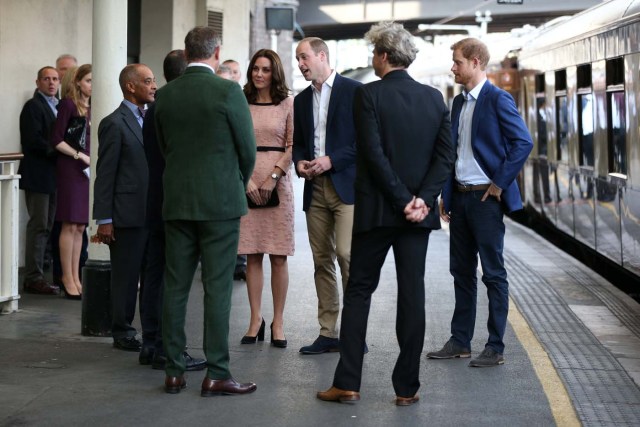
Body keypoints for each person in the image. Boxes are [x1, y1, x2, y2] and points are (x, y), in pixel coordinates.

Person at [317, 21, 455, 406]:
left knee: (359, 290)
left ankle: (347, 382)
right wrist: (422, 200)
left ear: (382, 55)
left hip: (378, 213)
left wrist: (399, 199)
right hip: (417, 217)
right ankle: (407, 388)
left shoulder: (368, 95)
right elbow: (446, 156)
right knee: (413, 294)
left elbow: (373, 155)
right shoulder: (433, 99)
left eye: (372, 53)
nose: (371, 59)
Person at [154, 26, 257, 396]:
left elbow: (164, 147)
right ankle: (217, 372)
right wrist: (232, 181)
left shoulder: (164, 96)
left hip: (178, 201)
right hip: (220, 204)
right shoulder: (228, 91)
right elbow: (247, 151)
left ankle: (174, 371)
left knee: (175, 286)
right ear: (216, 53)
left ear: (186, 52)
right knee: (217, 288)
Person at [426, 37, 533, 367]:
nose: (453, 68)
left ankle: (495, 346)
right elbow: (452, 153)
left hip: (486, 201)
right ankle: (460, 341)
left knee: (493, 273)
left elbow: (522, 142)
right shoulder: (458, 104)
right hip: (460, 198)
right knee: (460, 272)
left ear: (475, 62)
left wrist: (500, 183)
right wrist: (445, 194)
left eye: (457, 62)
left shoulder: (498, 99)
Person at [293, 37, 361, 354]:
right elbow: (301, 144)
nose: (300, 64)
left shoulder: (354, 92)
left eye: (304, 57)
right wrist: (300, 163)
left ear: (322, 56)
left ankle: (354, 334)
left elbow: (365, 143)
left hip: (346, 186)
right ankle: (328, 332)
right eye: (297, 59)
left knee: (347, 256)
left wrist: (332, 160)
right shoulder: (301, 100)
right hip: (315, 189)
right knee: (322, 260)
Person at [139, 49, 206, 371]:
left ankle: (150, 343)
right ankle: (168, 349)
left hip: (153, 198)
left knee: (154, 275)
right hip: (175, 201)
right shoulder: (178, 106)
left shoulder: (153, 107)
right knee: (173, 278)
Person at [93, 64, 156, 351]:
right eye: (148, 81)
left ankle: (151, 332)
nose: (153, 86)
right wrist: (104, 218)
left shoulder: (153, 118)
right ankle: (123, 331)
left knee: (151, 276)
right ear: (131, 86)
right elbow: (105, 174)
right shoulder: (113, 123)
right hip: (126, 213)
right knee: (126, 277)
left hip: (153, 211)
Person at [238, 49, 294, 349]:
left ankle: (279, 321)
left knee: (279, 256)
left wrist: (274, 176)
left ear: (275, 73)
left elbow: (293, 144)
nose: (259, 74)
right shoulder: (241, 102)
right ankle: (255, 319)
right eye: (255, 69)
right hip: (246, 180)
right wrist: (245, 179)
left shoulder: (288, 102)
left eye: (265, 70)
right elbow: (233, 142)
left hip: (278, 183)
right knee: (252, 254)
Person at [50, 64, 92, 299]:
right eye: (88, 80)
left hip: (86, 169)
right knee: (69, 224)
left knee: (81, 226)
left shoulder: (92, 106)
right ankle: (66, 276)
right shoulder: (68, 104)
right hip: (71, 167)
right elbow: (56, 139)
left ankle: (76, 276)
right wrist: (78, 155)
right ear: (77, 82)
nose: (91, 85)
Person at [19, 66, 61, 295]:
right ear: (38, 82)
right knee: (38, 225)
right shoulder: (33, 107)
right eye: (46, 79)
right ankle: (33, 277)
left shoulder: (59, 105)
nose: (51, 83)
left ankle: (40, 272)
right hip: (37, 175)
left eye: (55, 79)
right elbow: (32, 140)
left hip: (53, 175)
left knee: (48, 224)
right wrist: (59, 150)